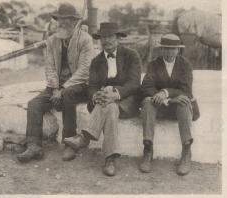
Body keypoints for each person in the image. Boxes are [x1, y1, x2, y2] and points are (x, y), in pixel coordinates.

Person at [17, 3, 94, 162]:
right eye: (60, 19)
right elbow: (50, 67)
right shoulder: (52, 40)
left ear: (74, 21)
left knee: (68, 96)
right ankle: (34, 145)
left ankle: (69, 143)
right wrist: (53, 87)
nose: (63, 22)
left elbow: (84, 70)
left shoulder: (86, 40)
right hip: (56, 87)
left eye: (67, 19)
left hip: (79, 85)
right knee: (34, 103)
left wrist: (63, 88)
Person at [64, 22, 141, 176]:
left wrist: (116, 93)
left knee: (110, 101)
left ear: (118, 38)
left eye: (111, 37)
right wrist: (95, 95)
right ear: (100, 40)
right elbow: (92, 86)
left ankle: (85, 137)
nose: (107, 41)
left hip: (126, 101)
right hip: (104, 103)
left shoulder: (131, 56)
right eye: (103, 37)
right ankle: (110, 160)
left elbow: (134, 83)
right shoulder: (96, 61)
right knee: (110, 107)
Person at [138, 33, 200, 176]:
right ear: (161, 50)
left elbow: (186, 91)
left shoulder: (185, 65)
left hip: (179, 110)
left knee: (184, 101)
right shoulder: (153, 65)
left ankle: (186, 151)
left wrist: (165, 92)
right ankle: (148, 149)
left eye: (173, 49)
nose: (169, 52)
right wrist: (167, 99)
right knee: (147, 102)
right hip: (160, 107)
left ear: (178, 50)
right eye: (166, 48)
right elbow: (146, 87)